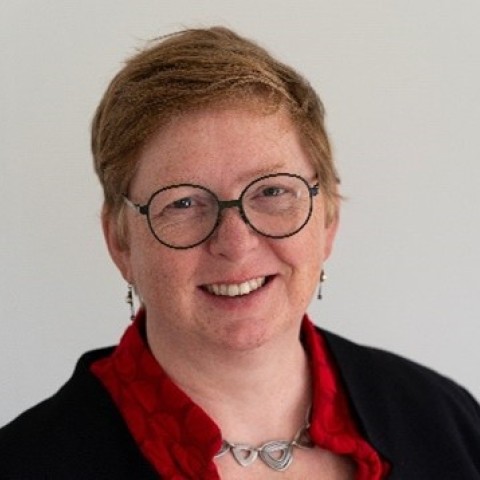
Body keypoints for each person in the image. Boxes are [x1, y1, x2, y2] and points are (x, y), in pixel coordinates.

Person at [0, 26, 479, 480]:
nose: (235, 243)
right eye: (183, 203)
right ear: (120, 242)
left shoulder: (446, 422)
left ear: (328, 217)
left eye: (272, 191)